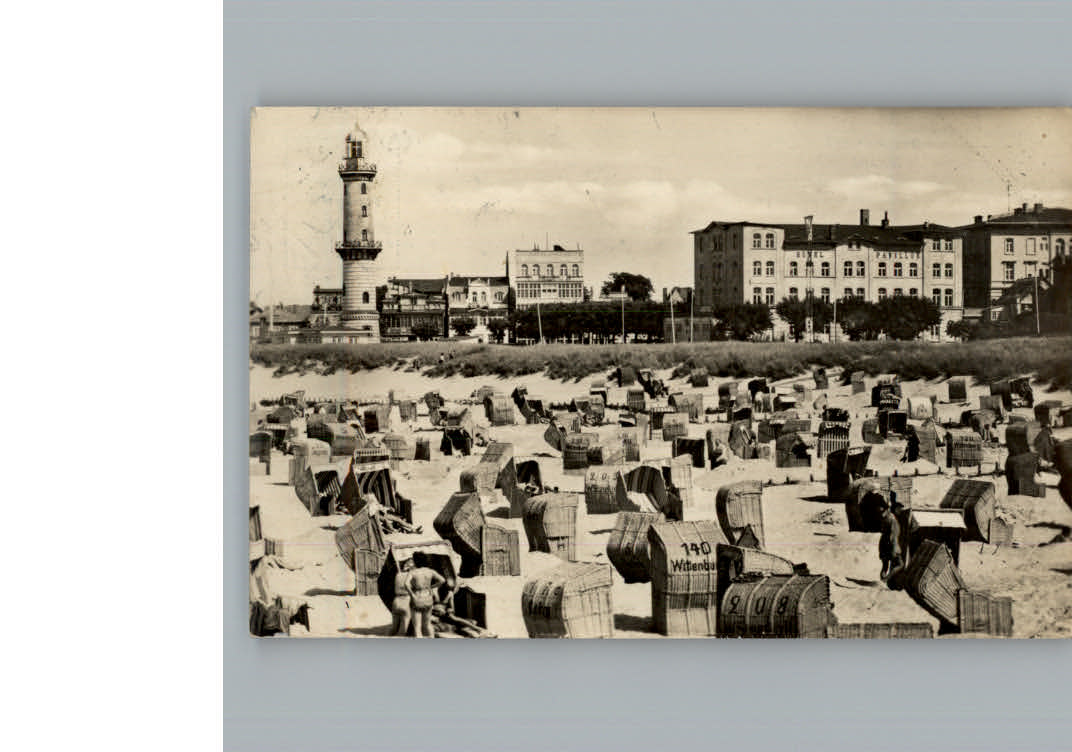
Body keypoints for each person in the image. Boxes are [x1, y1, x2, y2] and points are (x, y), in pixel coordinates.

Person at [407, 552, 446, 638]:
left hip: (417, 597)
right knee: (428, 625)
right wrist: (431, 587)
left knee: (417, 627)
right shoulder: (430, 571)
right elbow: (442, 580)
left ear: (415, 561)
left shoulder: (413, 572)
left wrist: (412, 595)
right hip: (428, 598)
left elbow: (406, 584)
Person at [878, 499, 903, 581]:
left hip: (883, 544)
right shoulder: (893, 520)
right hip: (890, 545)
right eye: (899, 509)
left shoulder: (885, 518)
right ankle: (886, 580)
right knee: (900, 564)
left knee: (885, 565)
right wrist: (894, 549)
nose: (900, 511)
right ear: (895, 509)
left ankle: (881, 581)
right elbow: (893, 536)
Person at [390, 559, 414, 637]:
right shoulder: (411, 576)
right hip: (406, 600)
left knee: (393, 628)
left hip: (396, 600)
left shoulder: (398, 575)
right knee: (402, 631)